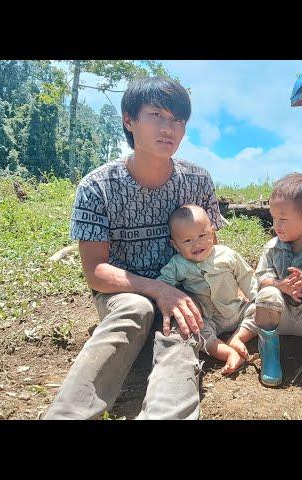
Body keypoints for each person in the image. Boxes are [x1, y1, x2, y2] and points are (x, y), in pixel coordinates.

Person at [44, 76, 223, 420]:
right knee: (135, 309)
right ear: (129, 119)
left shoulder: (198, 181)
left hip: (183, 288)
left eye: (178, 120)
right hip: (123, 292)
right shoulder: (97, 187)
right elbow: (95, 271)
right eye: (157, 115)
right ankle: (68, 414)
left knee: (183, 329)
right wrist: (156, 289)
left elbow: (212, 248)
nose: (169, 127)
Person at [227, 173, 302, 387]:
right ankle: (270, 352)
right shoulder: (272, 248)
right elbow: (260, 281)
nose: (276, 225)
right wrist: (280, 285)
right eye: (274, 218)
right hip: (278, 320)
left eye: (282, 219)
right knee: (267, 294)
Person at [157, 204, 257, 375]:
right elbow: (162, 285)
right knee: (195, 331)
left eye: (202, 235)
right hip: (209, 318)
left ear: (212, 232)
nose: (197, 243)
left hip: (237, 309)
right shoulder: (177, 264)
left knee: (262, 312)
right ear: (175, 245)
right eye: (187, 240)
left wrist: (256, 297)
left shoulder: (226, 254)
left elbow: (247, 277)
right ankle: (229, 353)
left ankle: (238, 338)